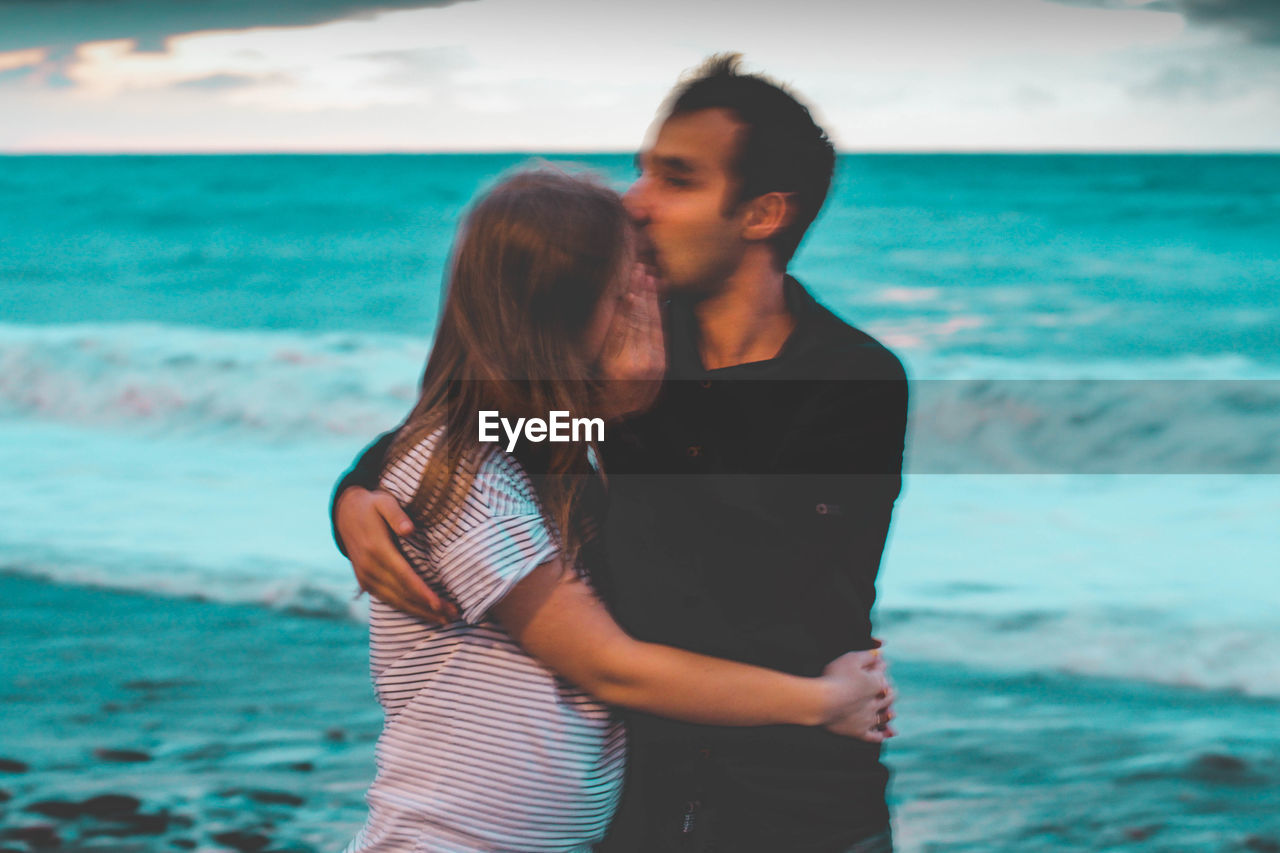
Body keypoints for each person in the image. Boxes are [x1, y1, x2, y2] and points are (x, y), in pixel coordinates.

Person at [335, 56, 909, 852]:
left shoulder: (851, 378)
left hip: (797, 804)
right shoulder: (622, 359)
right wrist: (357, 495)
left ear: (762, 213)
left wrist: (619, 402)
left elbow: (738, 591)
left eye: (676, 179)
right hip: (635, 806)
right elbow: (485, 426)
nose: (635, 205)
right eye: (641, 170)